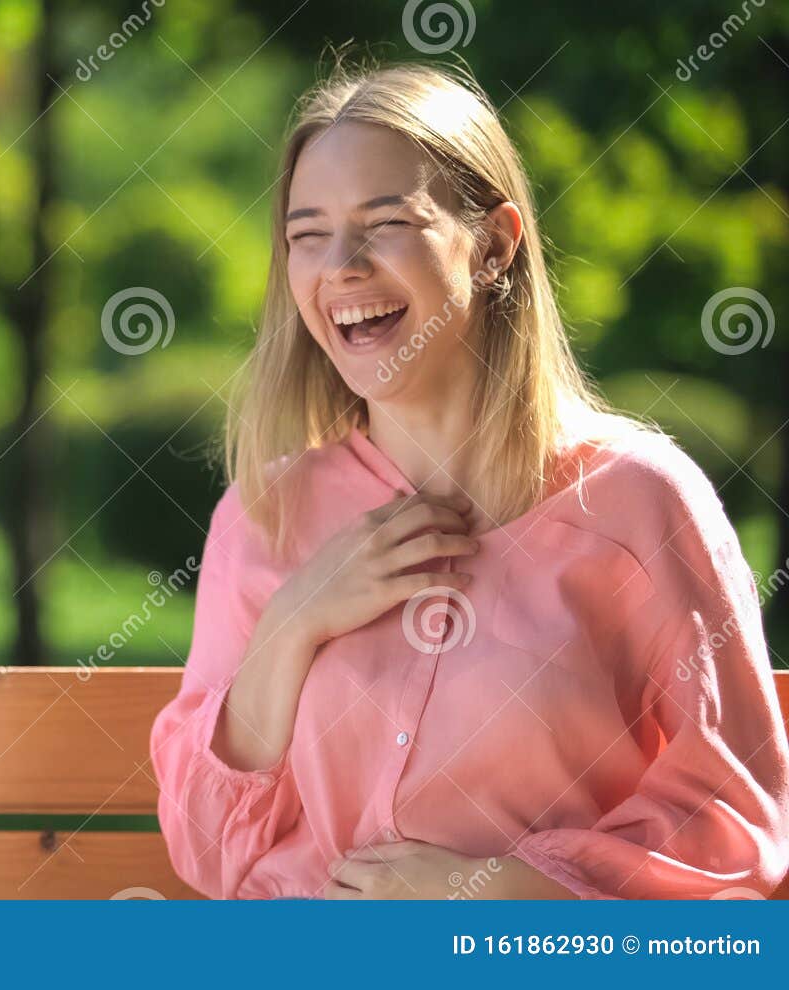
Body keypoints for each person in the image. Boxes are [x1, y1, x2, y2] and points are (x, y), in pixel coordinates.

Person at [150, 63, 789, 899]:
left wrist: (506, 896)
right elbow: (207, 854)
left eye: (386, 222)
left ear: (493, 244)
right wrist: (290, 626)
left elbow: (733, 812)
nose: (340, 265)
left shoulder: (639, 504)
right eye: (307, 233)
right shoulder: (266, 514)